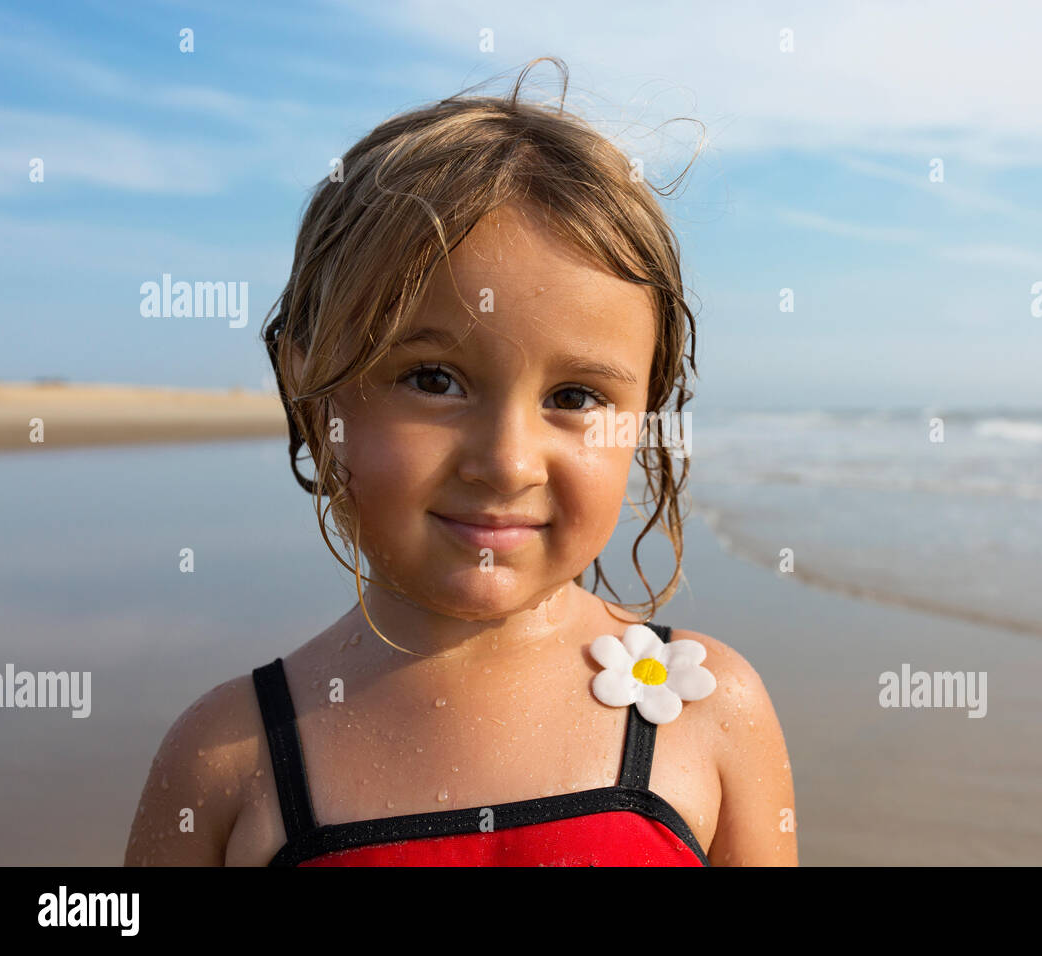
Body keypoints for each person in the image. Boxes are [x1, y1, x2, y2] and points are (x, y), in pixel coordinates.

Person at [125, 57, 796, 867]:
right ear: (312, 392)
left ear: (644, 418)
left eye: (577, 397)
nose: (507, 462)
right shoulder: (229, 758)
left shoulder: (708, 710)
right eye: (434, 380)